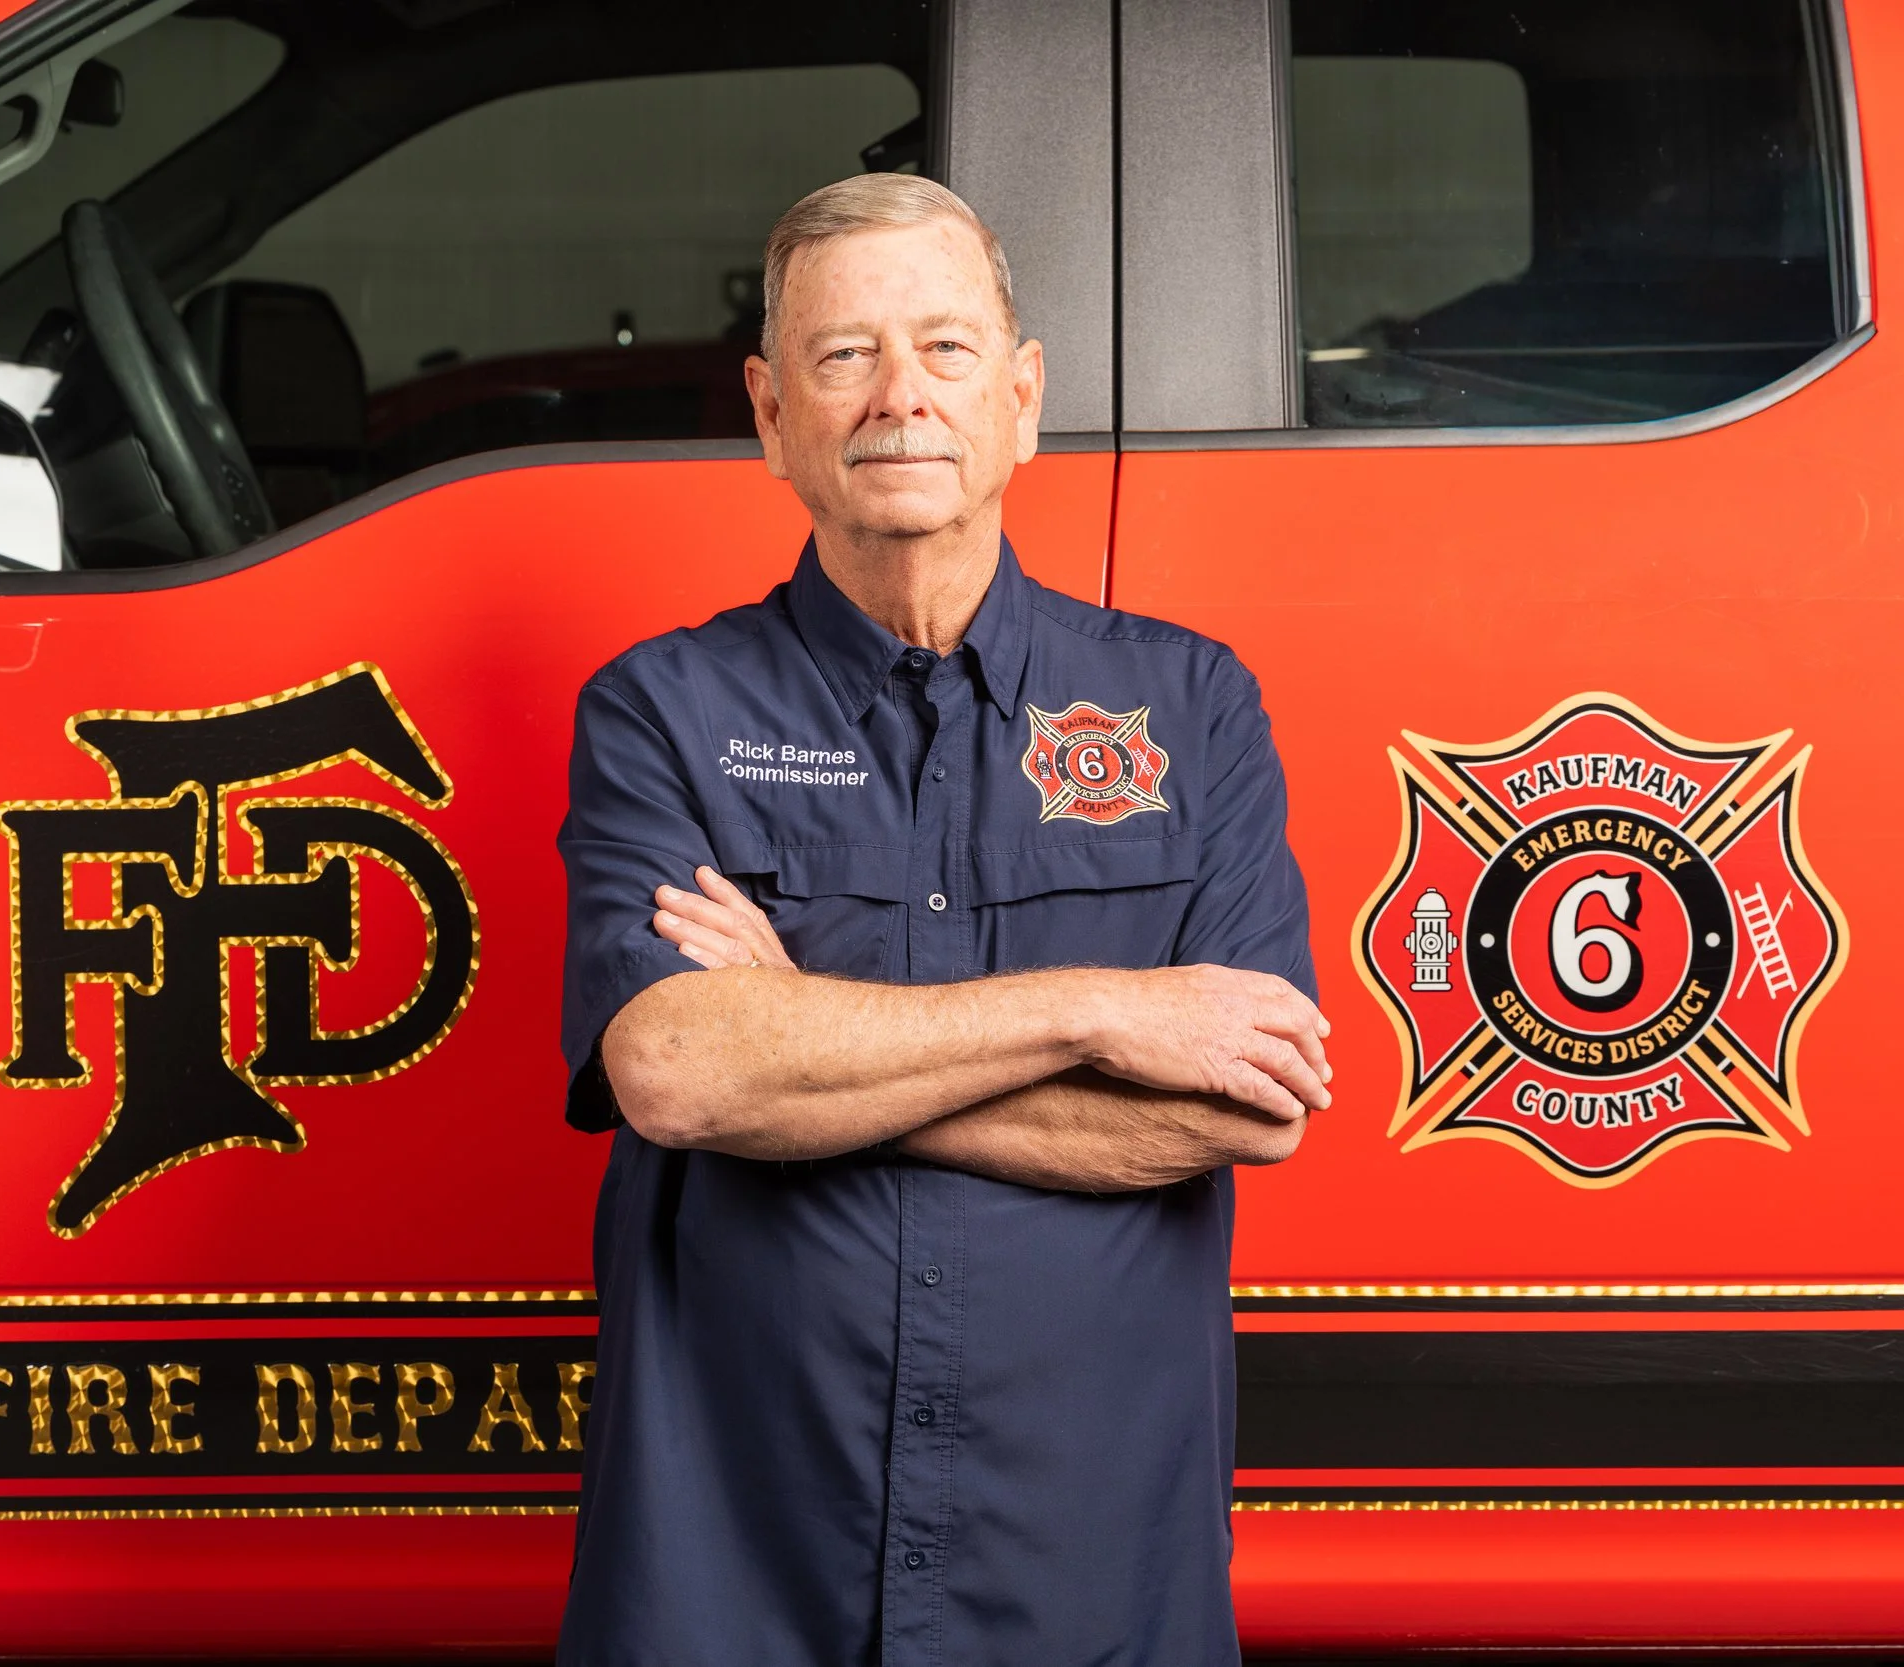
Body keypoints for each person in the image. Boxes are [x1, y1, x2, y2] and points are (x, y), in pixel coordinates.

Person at [554, 173, 1331, 1667]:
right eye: (842, 356)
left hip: (1085, 1575)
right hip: (735, 1574)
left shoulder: (1193, 706)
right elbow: (676, 1074)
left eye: (946, 350)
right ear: (772, 415)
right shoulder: (661, 707)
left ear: (1024, 401)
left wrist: (803, 1043)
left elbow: (1252, 1105)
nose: (897, 396)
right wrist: (1098, 1009)